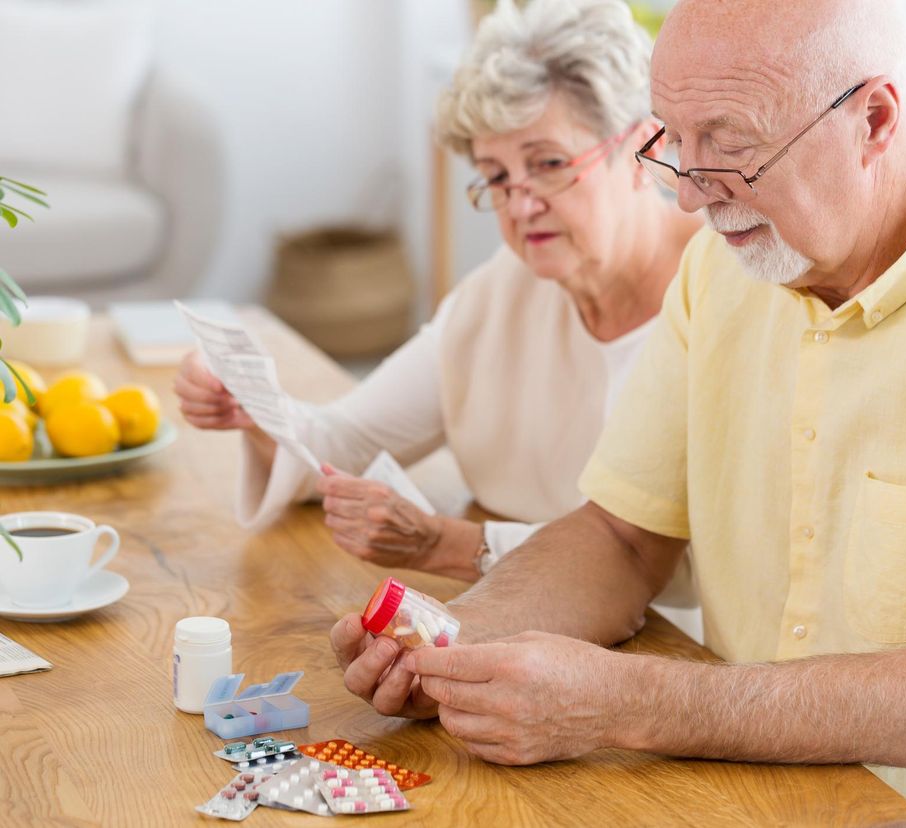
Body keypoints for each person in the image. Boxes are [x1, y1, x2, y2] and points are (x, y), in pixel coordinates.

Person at [330, 1, 906, 824]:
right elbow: (621, 535)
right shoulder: (724, 268)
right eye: (675, 143)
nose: (689, 201)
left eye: (734, 145)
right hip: (716, 794)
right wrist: (455, 645)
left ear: (875, 119)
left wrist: (630, 702)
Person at [174, 0, 700, 585]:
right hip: (523, 620)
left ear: (643, 149)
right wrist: (254, 405)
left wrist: (450, 544)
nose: (521, 206)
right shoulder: (503, 292)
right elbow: (345, 445)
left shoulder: (723, 295)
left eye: (548, 163)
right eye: (496, 177)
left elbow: (664, 560)